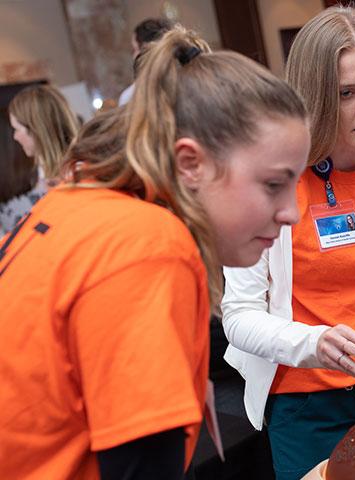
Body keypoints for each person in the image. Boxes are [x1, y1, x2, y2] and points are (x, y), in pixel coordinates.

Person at [0, 26, 310, 479]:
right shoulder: (148, 248)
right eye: (272, 185)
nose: (292, 213)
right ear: (191, 164)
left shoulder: (77, 203)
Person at [221, 6, 355, 480]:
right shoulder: (267, 175)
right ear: (313, 94)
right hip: (302, 403)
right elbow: (239, 316)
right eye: (346, 93)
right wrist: (315, 343)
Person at [3, 85, 79, 234]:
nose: (15, 137)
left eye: (17, 129)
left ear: (35, 130)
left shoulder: (75, 174)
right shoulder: (44, 174)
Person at [118, 17, 174, 106]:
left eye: (134, 49)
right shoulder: (186, 78)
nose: (134, 56)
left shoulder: (129, 97)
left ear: (145, 49)